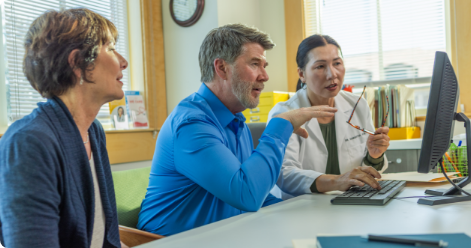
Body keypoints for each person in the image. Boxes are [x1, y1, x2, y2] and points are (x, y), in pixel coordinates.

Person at [137, 24, 337, 236]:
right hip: (168, 242)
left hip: (220, 235)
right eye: (254, 64)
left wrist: (304, 218)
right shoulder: (191, 125)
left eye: (264, 65)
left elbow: (259, 195)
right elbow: (246, 195)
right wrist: (280, 126)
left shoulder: (235, 120)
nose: (265, 76)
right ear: (222, 68)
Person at [0, 8, 129, 248]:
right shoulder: (28, 142)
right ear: (77, 63)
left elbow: (105, 237)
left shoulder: (93, 131)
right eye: (111, 49)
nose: (124, 62)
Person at [268, 35, 390, 200]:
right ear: (301, 74)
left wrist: (374, 156)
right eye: (320, 66)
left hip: (349, 205)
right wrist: (337, 181)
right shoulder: (284, 113)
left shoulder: (357, 105)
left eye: (337, 63)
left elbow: (363, 173)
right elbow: (284, 175)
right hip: (301, 208)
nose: (332, 74)